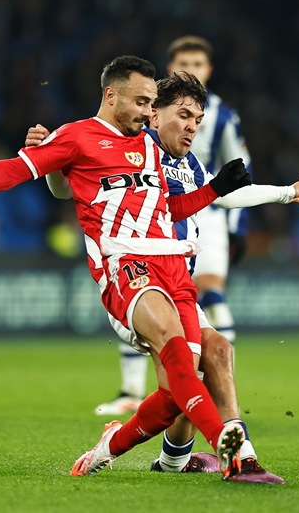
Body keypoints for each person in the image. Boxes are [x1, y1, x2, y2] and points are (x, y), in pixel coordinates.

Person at [0, 56, 253, 478]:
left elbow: (167, 207)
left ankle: (111, 447)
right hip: (125, 265)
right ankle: (230, 447)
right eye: (141, 102)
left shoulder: (148, 145)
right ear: (111, 94)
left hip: (174, 266)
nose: (147, 112)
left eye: (151, 104)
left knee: (174, 396)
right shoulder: (78, 137)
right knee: (175, 350)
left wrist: (214, 189)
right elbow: (14, 172)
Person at [30, 71, 299, 483]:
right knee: (184, 380)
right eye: (183, 114)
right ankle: (234, 457)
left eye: (198, 120)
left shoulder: (188, 161)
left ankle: (175, 461)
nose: (192, 126)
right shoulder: (132, 147)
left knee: (212, 356)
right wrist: (48, 160)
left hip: (177, 280)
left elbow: (223, 195)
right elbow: (71, 185)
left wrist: (285, 192)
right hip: (137, 278)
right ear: (153, 113)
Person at [95, 35, 253, 416]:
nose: (192, 70)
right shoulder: (140, 129)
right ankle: (134, 392)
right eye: (185, 63)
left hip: (206, 214)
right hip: (148, 230)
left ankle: (208, 429)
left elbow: (239, 170)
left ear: (209, 70)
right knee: (169, 340)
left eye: (198, 65)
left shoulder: (223, 117)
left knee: (205, 323)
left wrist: (239, 225)